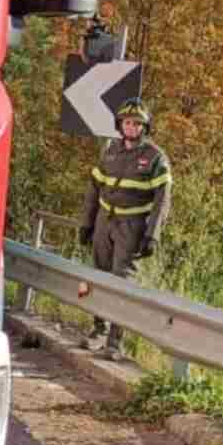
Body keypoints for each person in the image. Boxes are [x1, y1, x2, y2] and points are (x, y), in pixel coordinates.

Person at [78, 97, 174, 361]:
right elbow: (92, 189)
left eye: (137, 124)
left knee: (122, 283)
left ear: (145, 127)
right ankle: (98, 330)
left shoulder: (155, 157)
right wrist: (86, 223)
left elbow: (162, 199)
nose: (131, 127)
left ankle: (114, 342)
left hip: (130, 227)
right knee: (97, 278)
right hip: (103, 222)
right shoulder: (110, 150)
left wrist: (152, 235)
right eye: (127, 123)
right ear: (120, 125)